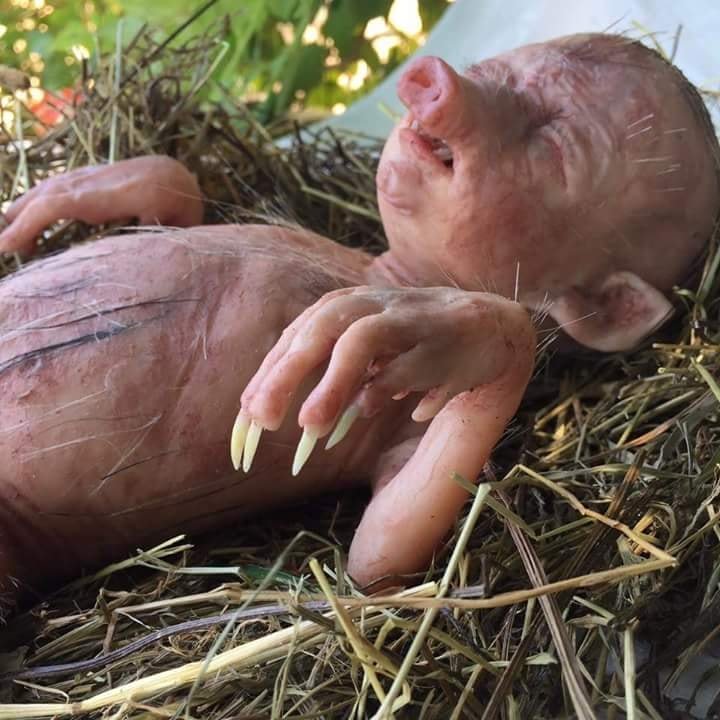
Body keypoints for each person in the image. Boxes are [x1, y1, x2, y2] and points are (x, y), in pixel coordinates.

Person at [0, 33, 717, 619]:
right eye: (492, 71)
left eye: (553, 148)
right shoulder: (323, 252)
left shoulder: (411, 405)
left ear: (603, 307)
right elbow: (192, 304)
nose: (450, 92)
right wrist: (171, 198)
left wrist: (503, 361)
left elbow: (376, 570)